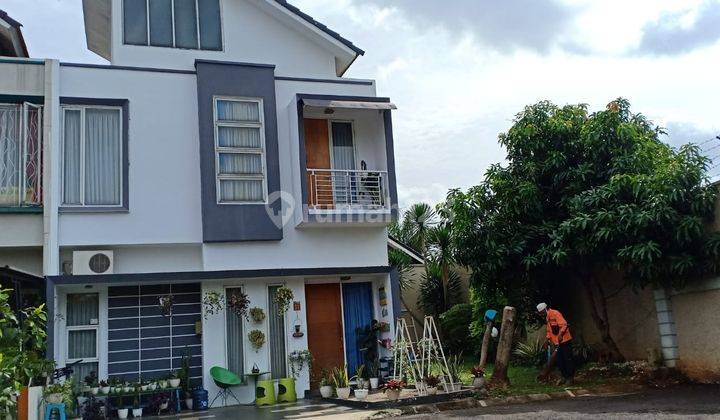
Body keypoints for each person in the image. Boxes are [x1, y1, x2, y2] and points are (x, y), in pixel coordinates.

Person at [537, 302, 575, 385]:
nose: (541, 314)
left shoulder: (555, 313)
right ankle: (564, 377)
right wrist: (547, 340)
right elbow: (549, 330)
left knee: (567, 359)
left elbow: (564, 324)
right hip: (557, 342)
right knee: (560, 361)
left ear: (544, 309)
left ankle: (570, 378)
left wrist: (561, 334)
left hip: (565, 340)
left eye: (541, 312)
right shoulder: (547, 317)